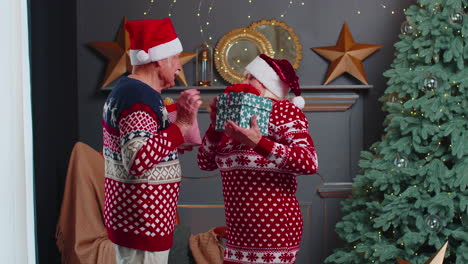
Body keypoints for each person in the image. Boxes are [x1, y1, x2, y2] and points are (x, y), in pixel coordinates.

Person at [197, 54, 318, 264]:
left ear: (268, 83)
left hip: (274, 230)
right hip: (238, 233)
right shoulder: (237, 117)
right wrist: (215, 127)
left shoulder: (284, 111)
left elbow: (308, 161)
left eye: (251, 77)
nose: (243, 82)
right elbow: (204, 163)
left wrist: (259, 143)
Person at [102, 18, 201, 264]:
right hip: (143, 224)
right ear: (159, 59)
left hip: (140, 222)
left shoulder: (135, 92)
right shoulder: (138, 97)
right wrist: (182, 125)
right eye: (175, 57)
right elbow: (137, 160)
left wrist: (175, 141)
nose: (179, 66)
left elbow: (142, 146)